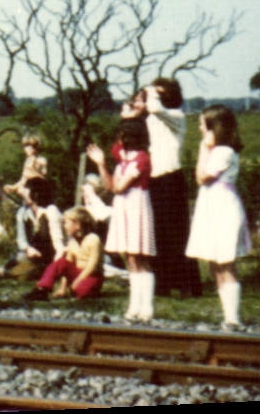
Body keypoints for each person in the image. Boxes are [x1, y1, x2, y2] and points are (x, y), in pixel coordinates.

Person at [129, 79, 202, 298]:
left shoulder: (177, 116)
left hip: (171, 177)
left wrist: (150, 93)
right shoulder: (150, 119)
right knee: (157, 233)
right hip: (154, 178)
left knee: (177, 233)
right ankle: (163, 282)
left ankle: (187, 284)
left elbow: (157, 109)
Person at [184, 104, 251, 328]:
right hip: (212, 207)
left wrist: (203, 148)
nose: (200, 129)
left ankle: (233, 317)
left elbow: (201, 176)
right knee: (215, 265)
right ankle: (228, 315)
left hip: (223, 209)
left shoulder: (223, 152)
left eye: (203, 125)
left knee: (225, 263)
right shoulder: (218, 151)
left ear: (215, 128)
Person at [89, 116, 157, 322]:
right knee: (130, 258)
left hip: (136, 205)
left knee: (139, 257)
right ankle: (134, 305)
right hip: (123, 206)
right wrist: (101, 165)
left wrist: (103, 161)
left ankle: (147, 307)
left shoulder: (142, 159)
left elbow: (119, 187)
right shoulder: (125, 160)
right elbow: (110, 186)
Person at [0, 175, 64, 279]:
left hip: (53, 253)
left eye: (26, 188)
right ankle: (7, 270)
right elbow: (21, 240)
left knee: (26, 274)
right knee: (20, 257)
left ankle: (5, 273)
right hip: (35, 254)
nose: (22, 192)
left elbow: (58, 242)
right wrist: (28, 249)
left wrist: (57, 261)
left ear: (36, 193)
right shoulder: (23, 212)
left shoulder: (50, 211)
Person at [25, 206, 104, 301]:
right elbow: (66, 265)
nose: (64, 226)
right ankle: (42, 289)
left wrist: (77, 281)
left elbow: (92, 266)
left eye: (66, 223)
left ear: (77, 225)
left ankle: (82, 290)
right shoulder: (72, 242)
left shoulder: (93, 239)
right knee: (60, 262)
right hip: (78, 273)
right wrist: (62, 288)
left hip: (91, 275)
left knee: (82, 291)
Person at [2, 134, 48, 259]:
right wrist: (13, 187)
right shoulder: (27, 161)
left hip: (37, 194)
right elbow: (23, 179)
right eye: (26, 146)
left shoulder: (41, 160)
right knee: (21, 216)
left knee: (38, 219)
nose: (28, 149)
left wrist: (36, 169)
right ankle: (25, 246)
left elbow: (42, 176)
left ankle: (40, 247)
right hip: (26, 194)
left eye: (30, 146)